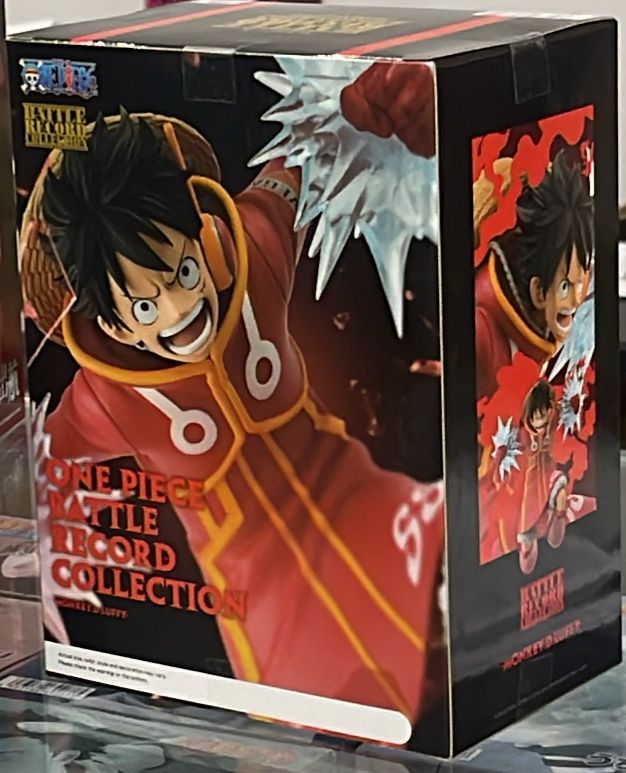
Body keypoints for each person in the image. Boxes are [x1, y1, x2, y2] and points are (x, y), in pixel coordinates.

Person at [22, 63, 443, 724]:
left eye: (184, 270)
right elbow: (34, 468)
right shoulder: (107, 397)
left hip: (381, 517)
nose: (178, 307)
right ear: (114, 326)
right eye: (144, 303)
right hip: (275, 618)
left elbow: (310, 149)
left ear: (206, 240)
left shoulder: (256, 243)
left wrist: (378, 103)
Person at [475, 150, 593, 401]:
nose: (576, 299)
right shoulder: (483, 335)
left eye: (581, 281)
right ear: (538, 291)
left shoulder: (545, 329)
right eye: (565, 287)